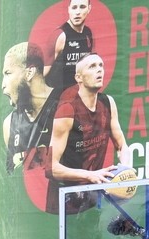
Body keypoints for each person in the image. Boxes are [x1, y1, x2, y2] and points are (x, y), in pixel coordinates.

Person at [47, 53, 129, 216]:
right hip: (65, 203)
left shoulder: (108, 103)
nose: (99, 70)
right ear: (79, 77)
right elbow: (51, 168)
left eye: (101, 65)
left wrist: (125, 172)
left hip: (92, 198)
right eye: (92, 67)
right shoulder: (67, 110)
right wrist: (90, 175)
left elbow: (122, 146)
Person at [0, 42, 52, 174]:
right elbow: (14, 179)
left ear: (29, 72)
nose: (3, 85)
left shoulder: (67, 106)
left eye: (8, 73)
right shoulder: (10, 124)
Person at [43, 0, 94, 101]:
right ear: (69, 9)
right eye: (74, 8)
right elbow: (42, 74)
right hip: (57, 99)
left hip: (77, 98)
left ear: (89, 9)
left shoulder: (88, 33)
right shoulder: (60, 35)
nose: (78, 12)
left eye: (82, 7)